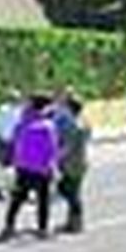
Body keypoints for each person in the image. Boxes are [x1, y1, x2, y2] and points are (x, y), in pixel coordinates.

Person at [1, 94, 61, 240]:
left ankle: (9, 226)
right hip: (42, 169)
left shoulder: (22, 123)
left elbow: (13, 142)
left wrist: (12, 160)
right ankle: (42, 229)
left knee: (18, 198)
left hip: (23, 166)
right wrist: (54, 166)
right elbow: (53, 149)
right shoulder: (48, 126)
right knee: (43, 200)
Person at [56, 97, 92, 234]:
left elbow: (68, 147)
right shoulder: (83, 122)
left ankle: (76, 222)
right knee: (72, 191)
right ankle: (73, 222)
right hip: (81, 160)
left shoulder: (73, 125)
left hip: (72, 163)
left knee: (68, 191)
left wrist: (57, 158)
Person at [0, 90, 25, 202]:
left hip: (2, 141)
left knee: (0, 167)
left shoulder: (0, 110)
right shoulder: (19, 111)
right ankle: (11, 189)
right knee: (14, 167)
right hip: (13, 141)